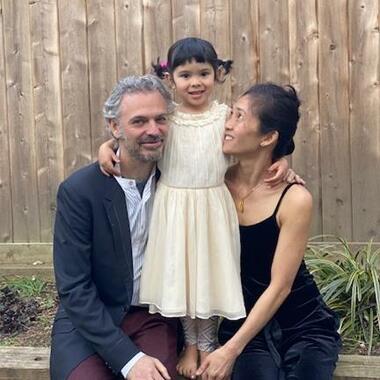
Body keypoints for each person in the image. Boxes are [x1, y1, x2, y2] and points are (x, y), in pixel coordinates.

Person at [98, 37, 296, 379]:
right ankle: (189, 343)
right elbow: (135, 140)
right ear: (170, 79)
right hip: (173, 207)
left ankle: (207, 343)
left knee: (209, 275)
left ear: (218, 74)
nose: (195, 82)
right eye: (185, 75)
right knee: (182, 276)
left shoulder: (224, 118)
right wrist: (107, 145)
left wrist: (283, 159)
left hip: (211, 207)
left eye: (203, 73)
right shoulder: (167, 120)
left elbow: (255, 144)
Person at [196, 83, 341, 380]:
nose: (228, 124)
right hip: (246, 324)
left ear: (268, 137)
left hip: (303, 325)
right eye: (231, 114)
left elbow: (280, 286)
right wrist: (112, 146)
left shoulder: (294, 199)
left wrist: (229, 350)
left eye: (239, 116)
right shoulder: (213, 184)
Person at [50, 74, 179, 380]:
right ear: (114, 127)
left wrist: (279, 169)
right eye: (139, 121)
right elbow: (74, 288)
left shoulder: (178, 183)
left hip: (152, 316)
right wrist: (129, 359)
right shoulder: (80, 191)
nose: (153, 130)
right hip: (90, 319)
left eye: (160, 119)